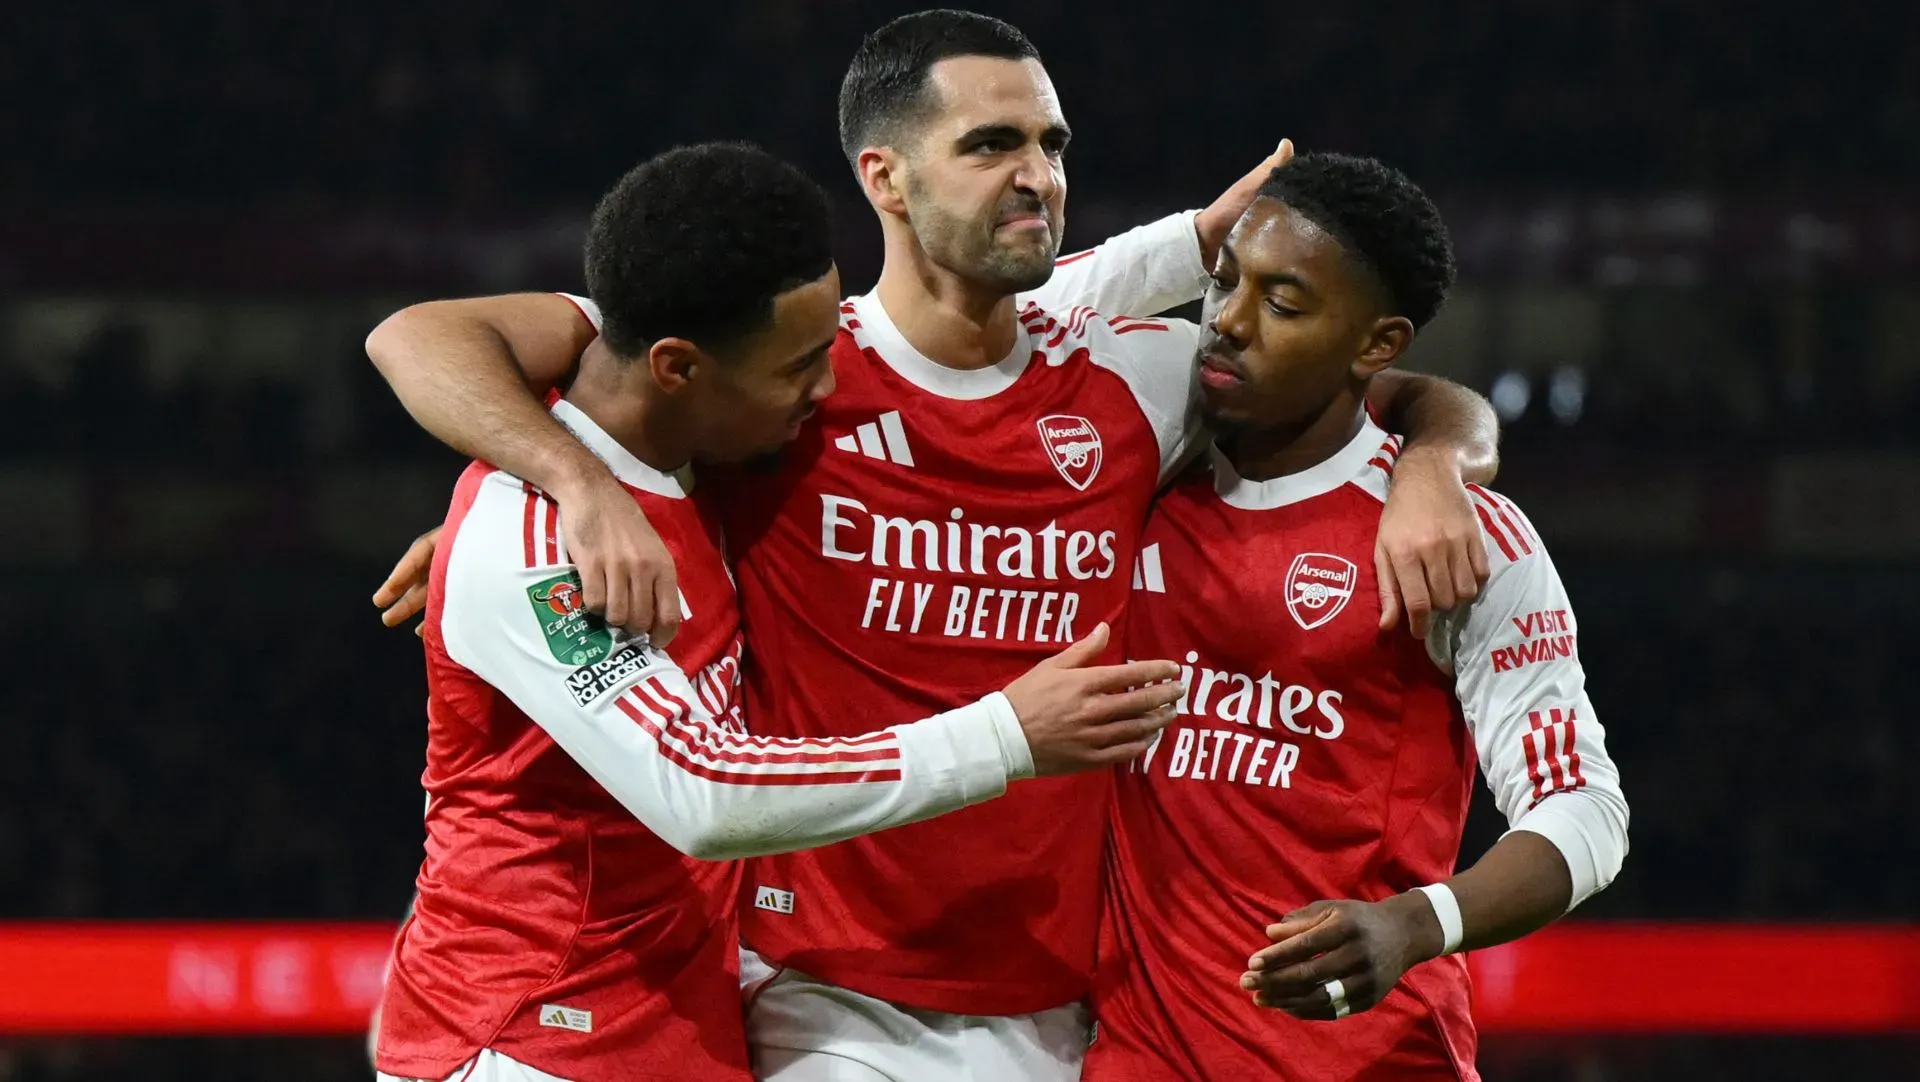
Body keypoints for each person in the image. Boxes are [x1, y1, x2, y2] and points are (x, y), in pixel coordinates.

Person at [365, 12, 1501, 1079]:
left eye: (1053, 143)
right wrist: (542, 483)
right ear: (885, 177)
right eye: (993, 143)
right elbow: (439, 341)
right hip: (824, 997)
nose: (1038, 174)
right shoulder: (780, 366)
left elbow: (1376, 383)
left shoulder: (1131, 378)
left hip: (1077, 999)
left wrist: (1433, 464)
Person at [372, 141, 1185, 1082]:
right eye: (799, 366)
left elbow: (1011, 308)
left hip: (677, 1024)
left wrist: (1191, 246)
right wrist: (1008, 733)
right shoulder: (542, 549)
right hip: (527, 1041)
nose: (829, 390)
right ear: (678, 369)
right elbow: (704, 791)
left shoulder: (682, 409)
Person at [1086, 153, 1629, 1081]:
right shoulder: (1141, 473)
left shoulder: (1461, 542)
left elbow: (1586, 810)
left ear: (1377, 345)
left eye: (1285, 305)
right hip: (1138, 1053)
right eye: (1225, 286)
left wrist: (1417, 923)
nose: (1228, 325)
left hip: (1369, 1058)